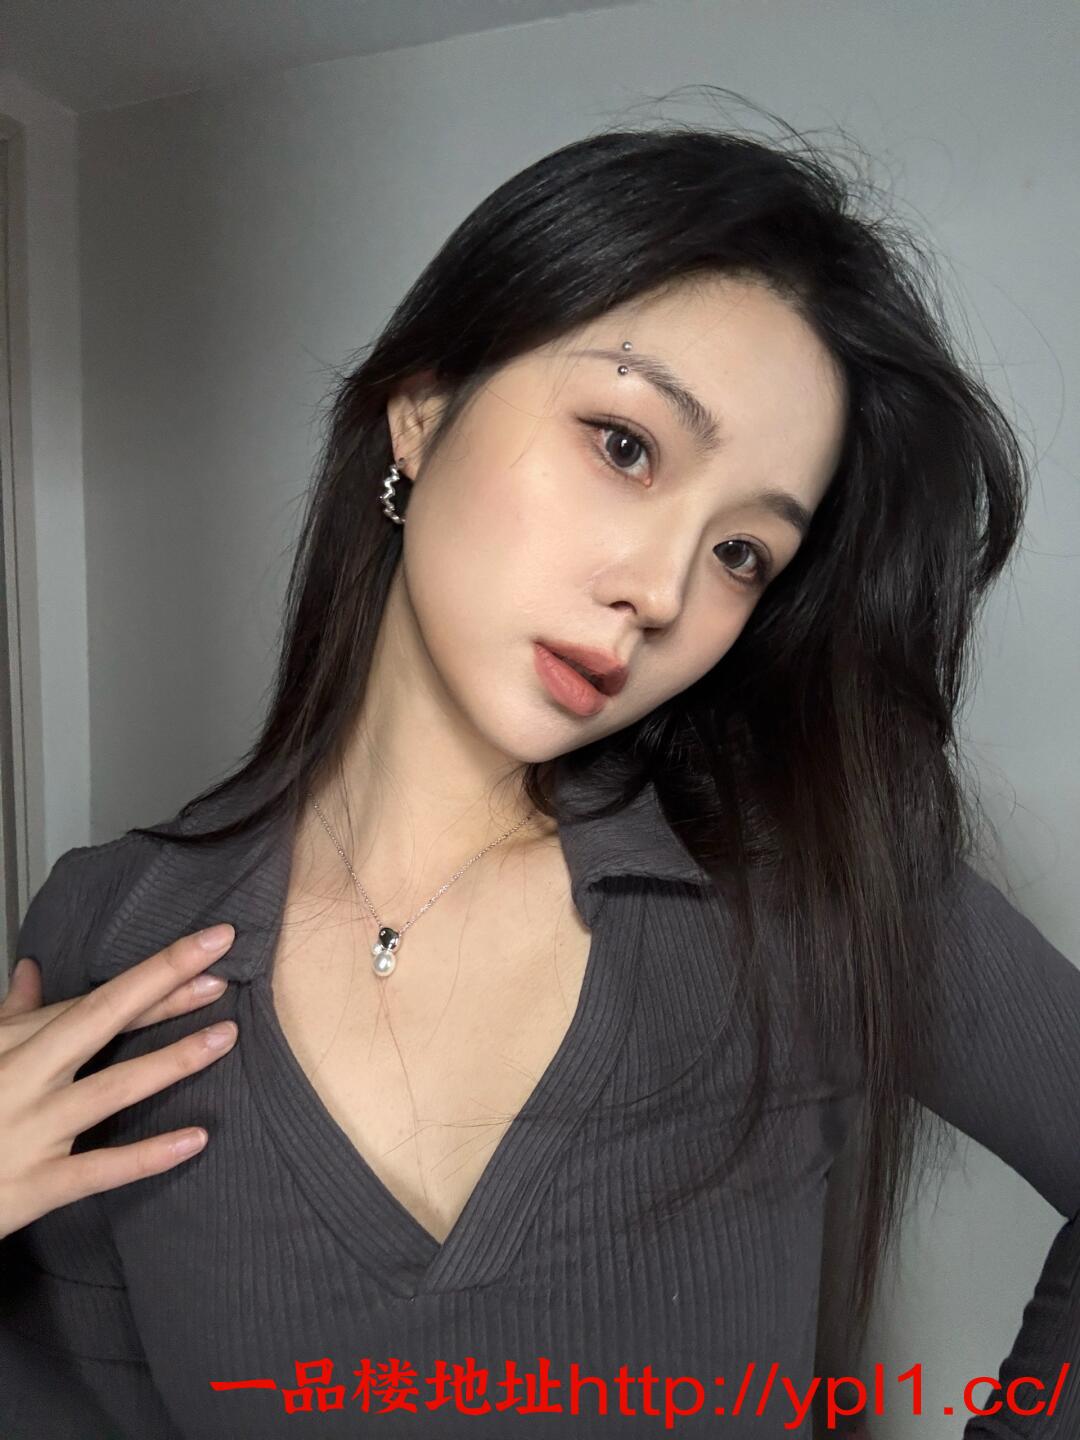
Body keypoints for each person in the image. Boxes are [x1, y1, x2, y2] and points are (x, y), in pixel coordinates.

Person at [1, 107, 1078, 1439]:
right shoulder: (109, 932)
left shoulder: (816, 880)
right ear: (421, 410)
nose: (661, 591)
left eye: (742, 553)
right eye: (625, 445)